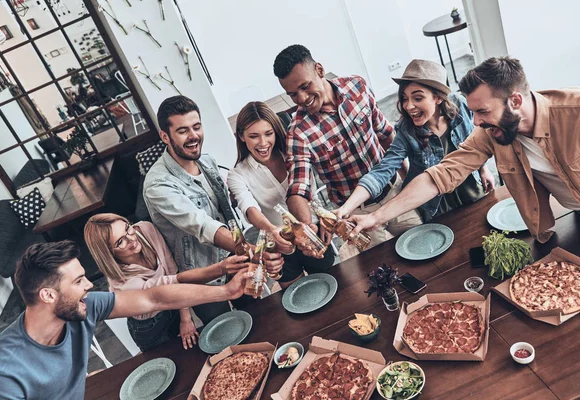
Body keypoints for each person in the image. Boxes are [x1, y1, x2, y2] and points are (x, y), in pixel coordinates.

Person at [348, 56, 580, 243]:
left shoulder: (574, 111)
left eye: (483, 111)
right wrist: (375, 217)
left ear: (515, 101)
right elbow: (439, 176)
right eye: (474, 112)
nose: (476, 122)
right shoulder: (490, 132)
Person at [0, 241, 251, 399]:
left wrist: (225, 291)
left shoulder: (82, 307)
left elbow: (153, 298)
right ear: (49, 295)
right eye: (78, 281)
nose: (89, 285)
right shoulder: (0, 374)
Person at [273, 44, 422, 259]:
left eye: (305, 87)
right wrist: (307, 227)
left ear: (320, 70)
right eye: (293, 94)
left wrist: (407, 177)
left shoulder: (357, 87)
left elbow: (385, 133)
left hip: (395, 193)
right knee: (386, 270)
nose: (302, 98)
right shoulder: (298, 133)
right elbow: (298, 188)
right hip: (353, 214)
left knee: (421, 245)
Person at [143, 95, 283, 322]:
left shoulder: (206, 162)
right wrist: (254, 252)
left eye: (196, 127)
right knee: (224, 334)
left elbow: (228, 214)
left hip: (235, 259)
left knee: (261, 319)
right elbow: (202, 225)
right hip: (202, 277)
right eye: (183, 131)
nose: (193, 136)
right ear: (164, 136)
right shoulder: (158, 184)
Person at [337, 60, 495, 222]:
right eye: (405, 98)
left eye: (418, 98)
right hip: (437, 205)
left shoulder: (461, 105)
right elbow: (383, 170)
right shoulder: (406, 131)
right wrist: (346, 208)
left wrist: (483, 169)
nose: (408, 106)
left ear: (438, 98)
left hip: (471, 188)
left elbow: (475, 142)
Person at [84, 213, 249, 351]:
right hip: (152, 326)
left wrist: (185, 317)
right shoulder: (122, 284)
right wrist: (221, 269)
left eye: (127, 228)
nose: (131, 239)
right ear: (108, 253)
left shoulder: (145, 230)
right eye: (120, 242)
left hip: (174, 305)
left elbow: (172, 270)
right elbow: (169, 286)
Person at [227, 101, 335, 288]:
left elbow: (311, 193)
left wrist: (323, 217)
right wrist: (271, 230)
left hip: (312, 231)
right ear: (241, 137)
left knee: (333, 285)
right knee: (299, 296)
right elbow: (249, 208)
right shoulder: (237, 174)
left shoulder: (295, 153)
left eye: (268, 134)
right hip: (280, 244)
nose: (263, 143)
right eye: (254, 136)